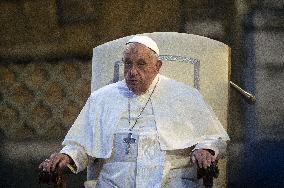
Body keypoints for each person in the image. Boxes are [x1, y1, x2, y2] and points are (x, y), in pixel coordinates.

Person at [39, 35, 229, 188]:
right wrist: (67, 156)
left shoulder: (185, 95)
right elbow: (82, 145)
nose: (132, 71)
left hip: (170, 181)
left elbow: (213, 137)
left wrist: (205, 150)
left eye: (141, 64)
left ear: (158, 66)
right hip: (115, 182)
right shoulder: (102, 98)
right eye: (128, 63)